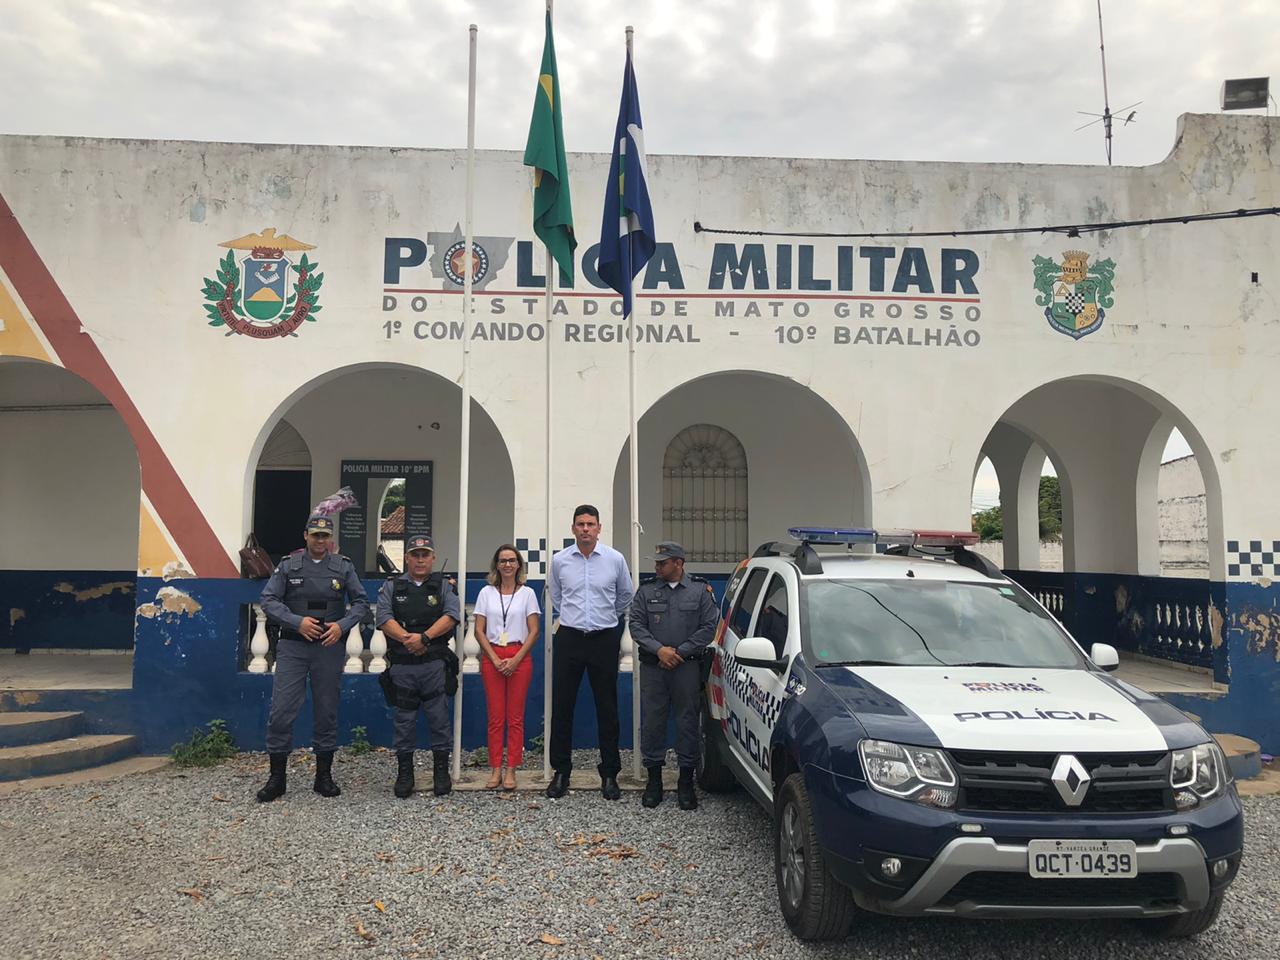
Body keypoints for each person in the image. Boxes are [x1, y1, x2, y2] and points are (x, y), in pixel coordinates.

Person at [256, 513, 369, 802]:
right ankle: (277, 778)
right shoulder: (288, 565)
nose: (320, 540)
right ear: (306, 536)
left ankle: (323, 776)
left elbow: (361, 603)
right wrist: (297, 622)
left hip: (328, 647)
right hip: (293, 647)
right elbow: (268, 600)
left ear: (330, 539)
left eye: (324, 536)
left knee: (326, 711)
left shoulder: (343, 567)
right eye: (315, 535)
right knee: (281, 711)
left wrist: (341, 626)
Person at [545, 504, 633, 800]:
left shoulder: (615, 559)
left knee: (607, 707)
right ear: (573, 528)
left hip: (604, 638)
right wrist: (576, 618)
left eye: (590, 524)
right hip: (569, 637)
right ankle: (561, 772)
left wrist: (604, 618)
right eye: (580, 524)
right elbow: (556, 595)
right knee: (562, 706)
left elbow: (625, 595)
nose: (585, 529)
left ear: (599, 528)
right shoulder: (560, 561)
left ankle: (609, 774)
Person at [629, 541, 720, 810]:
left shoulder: (700, 590)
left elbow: (709, 627)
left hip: (686, 667)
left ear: (679, 563)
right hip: (654, 667)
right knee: (653, 722)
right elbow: (636, 625)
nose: (657, 567)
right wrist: (660, 650)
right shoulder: (646, 590)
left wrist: (679, 652)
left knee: (687, 721)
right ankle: (654, 781)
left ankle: (685, 782)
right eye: (657, 563)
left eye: (663, 563)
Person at [375, 534, 461, 798]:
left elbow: (451, 616)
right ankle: (405, 773)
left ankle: (440, 772)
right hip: (403, 664)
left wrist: (424, 638)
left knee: (439, 719)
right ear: (406, 558)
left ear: (433, 558)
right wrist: (408, 639)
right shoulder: (392, 586)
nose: (420, 560)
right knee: (404, 721)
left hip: (434, 663)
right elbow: (383, 617)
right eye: (415, 555)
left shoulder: (444, 586)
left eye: (425, 555)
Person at [473, 544, 541, 790]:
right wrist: (493, 658)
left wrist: (516, 659)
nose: (508, 565)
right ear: (496, 565)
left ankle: (511, 767)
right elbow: (478, 630)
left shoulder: (528, 594)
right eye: (503, 561)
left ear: (519, 564)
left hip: (519, 656)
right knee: (495, 717)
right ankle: (495, 768)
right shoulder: (486, 593)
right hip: (492, 656)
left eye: (512, 560)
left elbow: (534, 631)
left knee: (515, 717)